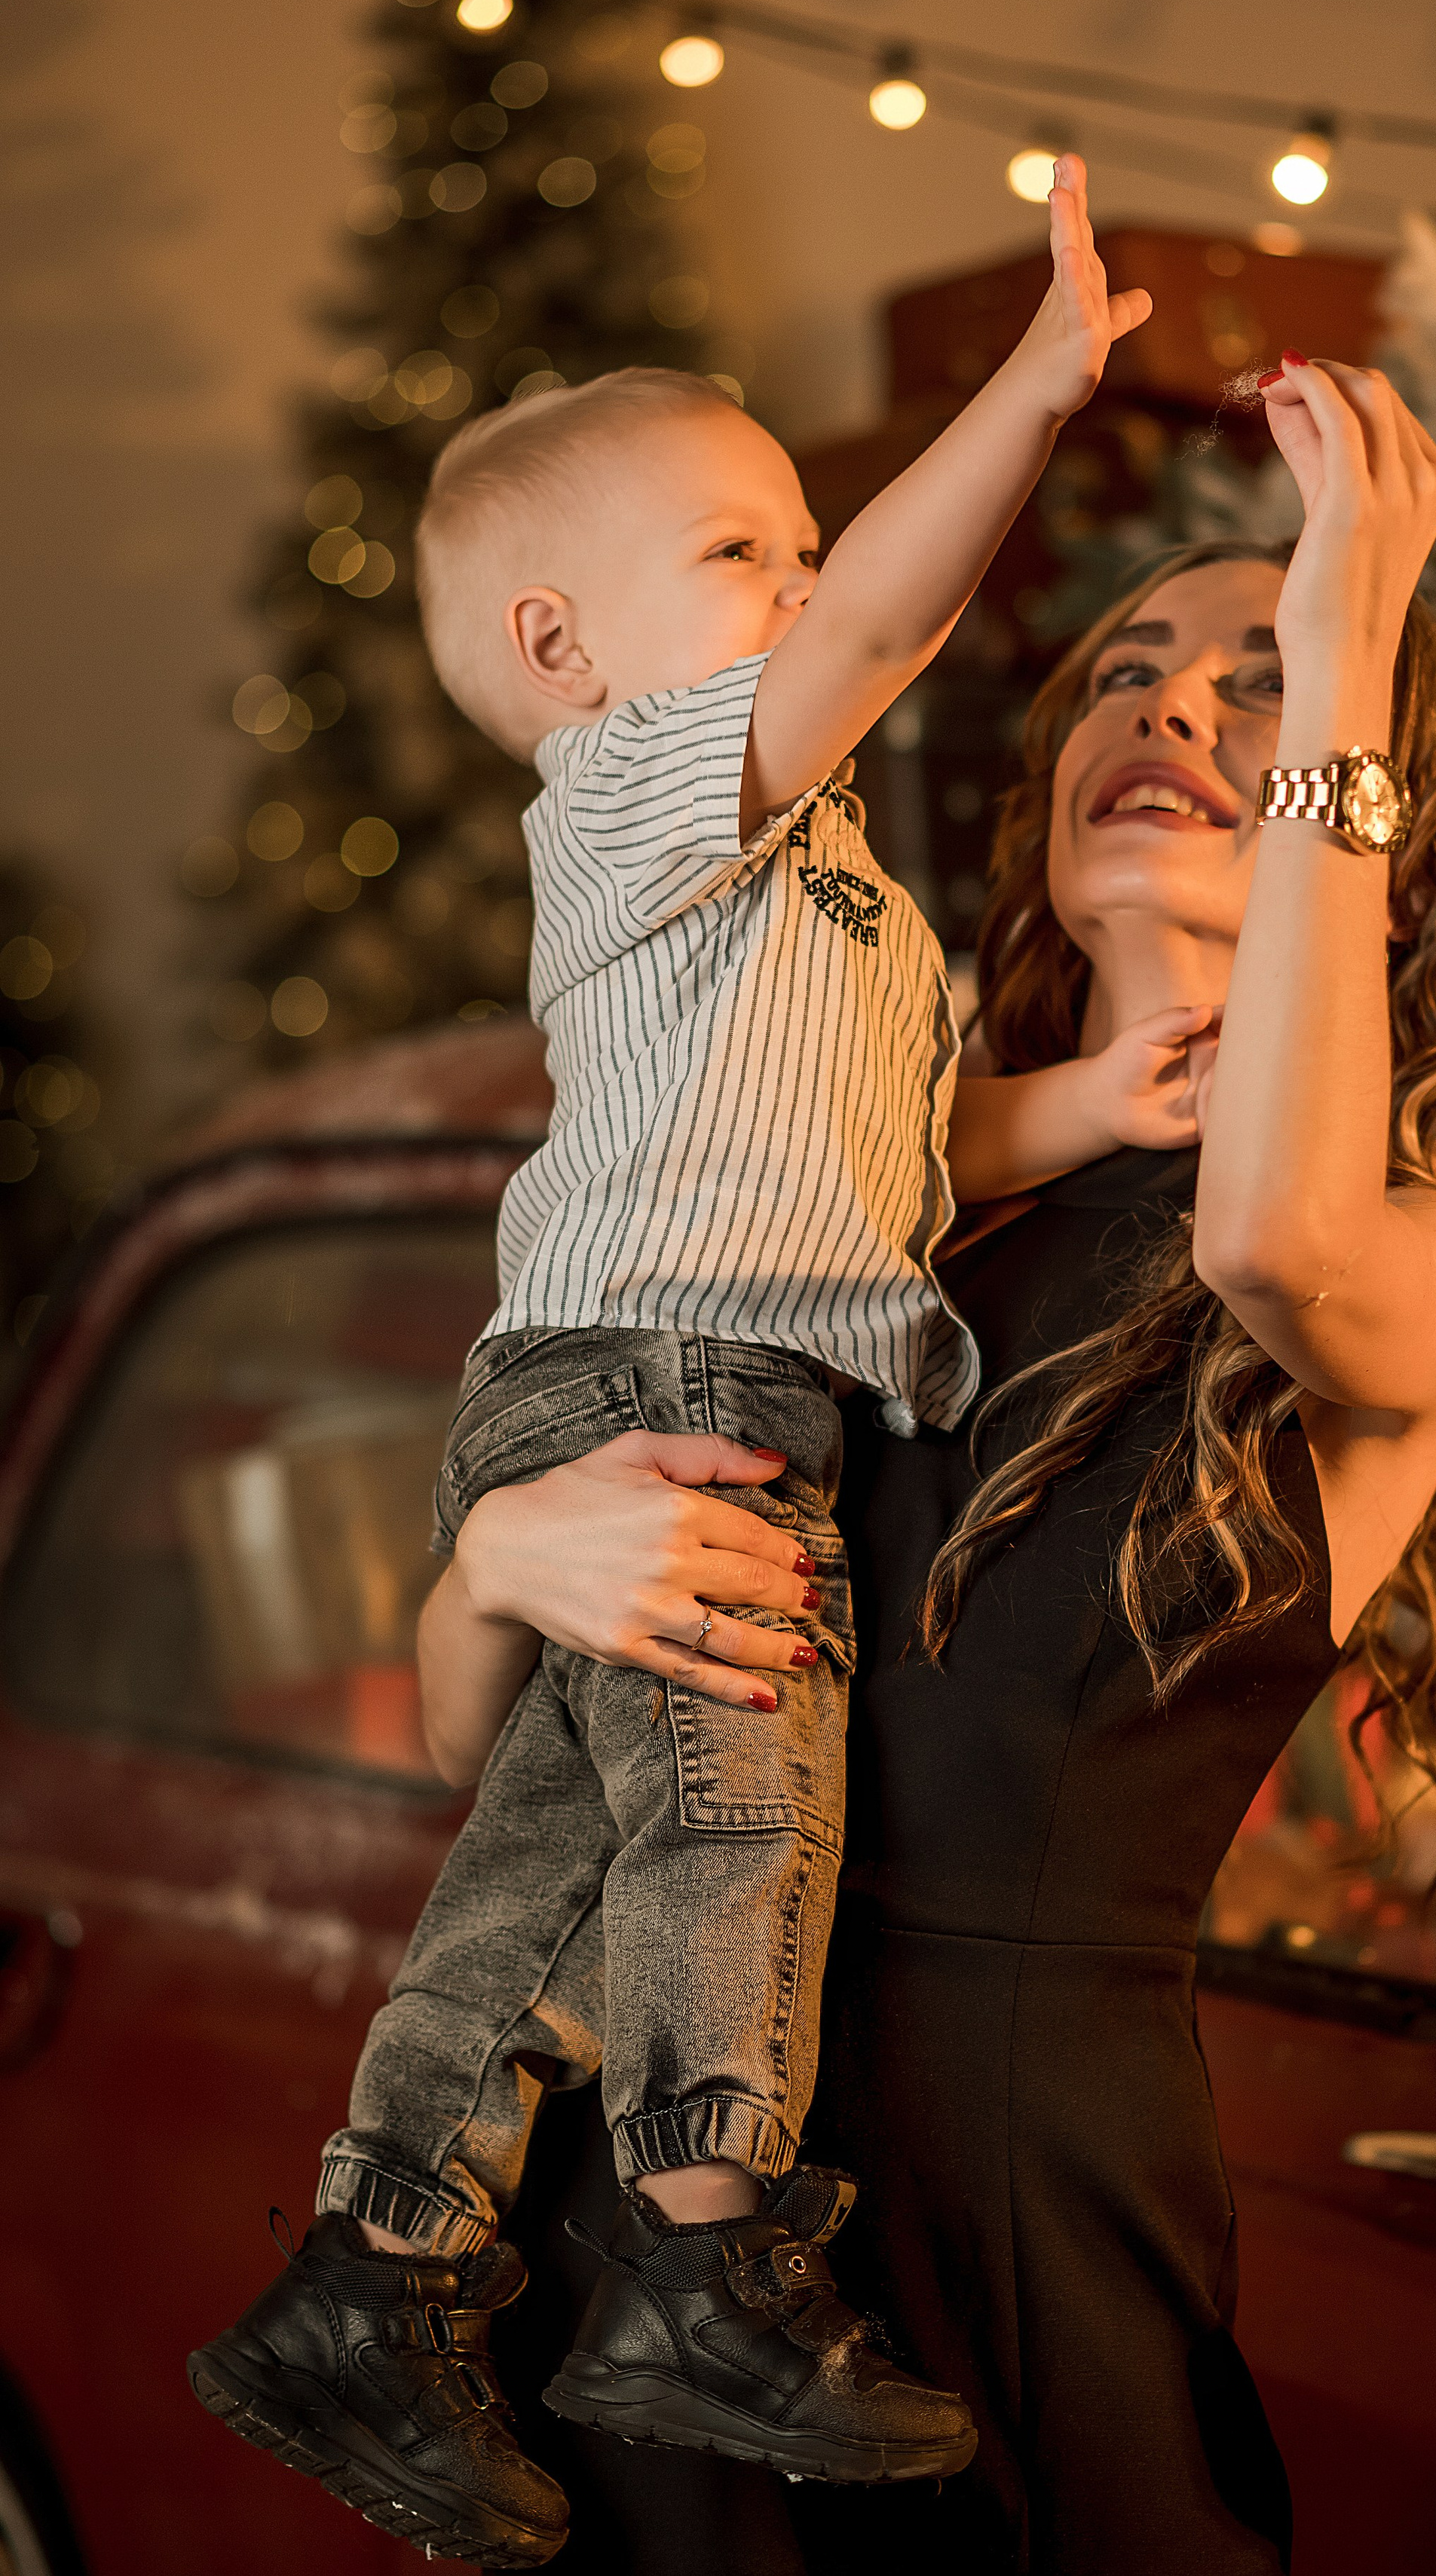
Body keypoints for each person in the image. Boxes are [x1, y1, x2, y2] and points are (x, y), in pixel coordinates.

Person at [411, 356, 1436, 2572]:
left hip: (1003, 2233)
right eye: (1128, 674)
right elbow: (457, 1724)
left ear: (1385, 820)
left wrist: (1360, 623)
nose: (1173, 712)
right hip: (653, 2228)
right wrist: (505, 1551)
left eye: (1266, 686)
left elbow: (1272, 1232)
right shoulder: (871, 1200)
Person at [190, 159, 1212, 2570]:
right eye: (745, 548)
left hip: (648, 1347)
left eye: (792, 540)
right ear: (567, 648)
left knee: (558, 1866)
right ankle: (706, 2258)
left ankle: (377, 2266)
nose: (806, 569)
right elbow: (877, 619)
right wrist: (1043, 383)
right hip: (681, 1362)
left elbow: (886, 1153)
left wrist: (1088, 1102)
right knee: (749, 1797)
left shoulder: (819, 888)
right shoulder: (647, 797)